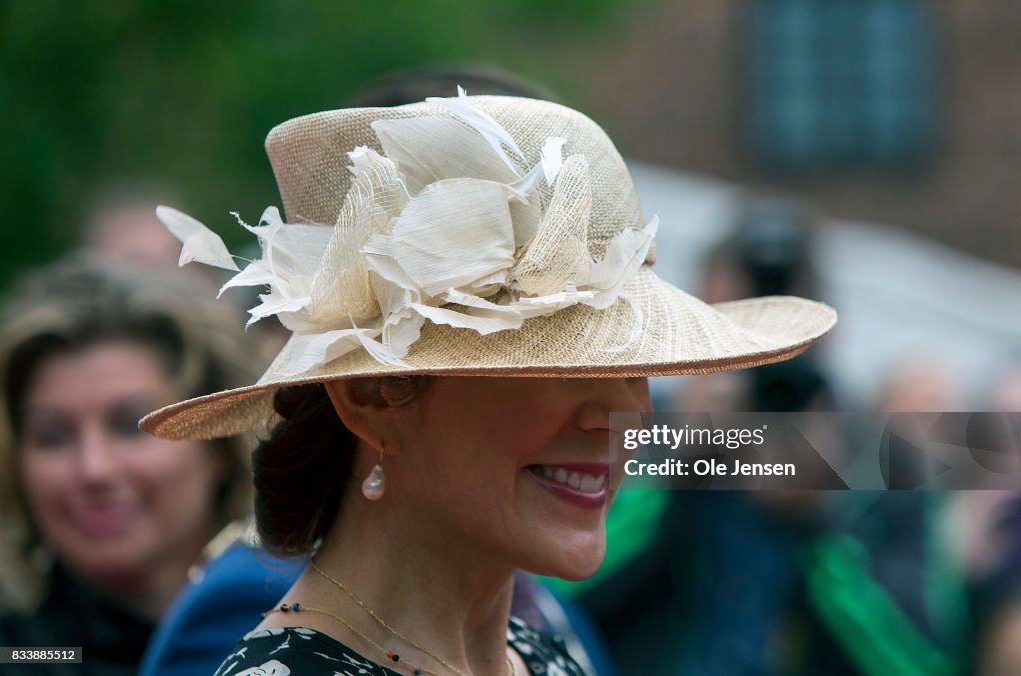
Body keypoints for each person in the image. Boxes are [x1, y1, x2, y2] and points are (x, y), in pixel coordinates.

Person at [142, 91, 836, 675]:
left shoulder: (543, 659)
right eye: (559, 367)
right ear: (372, 396)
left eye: (637, 366)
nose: (621, 416)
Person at [0, 258, 257, 675]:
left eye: (131, 426)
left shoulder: (319, 626)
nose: (93, 469)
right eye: (53, 436)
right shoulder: (18, 654)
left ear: (219, 444)